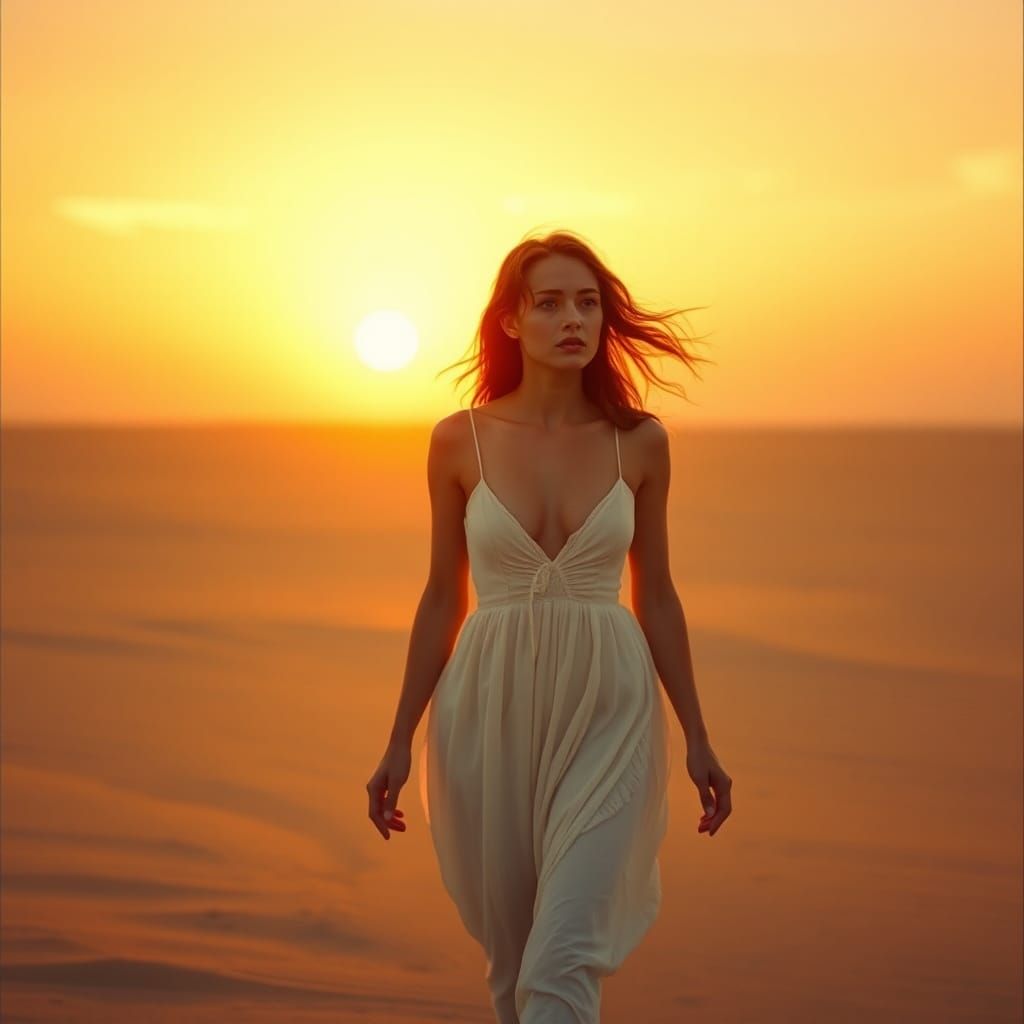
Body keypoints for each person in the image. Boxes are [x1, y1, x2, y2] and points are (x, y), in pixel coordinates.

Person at [366, 229, 733, 1023]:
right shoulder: (456, 441)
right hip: (488, 711)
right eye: (552, 303)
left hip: (610, 708)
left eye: (589, 303)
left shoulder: (641, 443)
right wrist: (399, 738)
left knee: (564, 954)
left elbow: (658, 595)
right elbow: (441, 599)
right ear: (511, 321)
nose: (575, 319)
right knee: (515, 967)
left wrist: (697, 734)